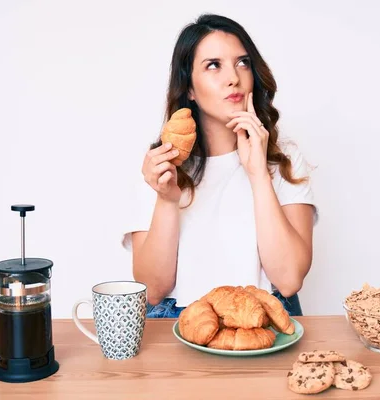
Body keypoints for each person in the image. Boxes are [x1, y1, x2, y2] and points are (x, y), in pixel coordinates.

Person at [121, 14, 318, 318]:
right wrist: (167, 198)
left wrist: (257, 174)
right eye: (214, 65)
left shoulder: (283, 158)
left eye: (242, 63)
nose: (233, 78)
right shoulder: (159, 165)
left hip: (265, 319)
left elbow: (289, 280)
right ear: (189, 88)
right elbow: (154, 288)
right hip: (178, 322)